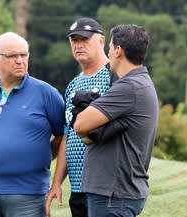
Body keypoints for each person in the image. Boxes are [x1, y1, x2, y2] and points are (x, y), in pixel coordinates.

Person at [0, 32, 65, 217]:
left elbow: (63, 135)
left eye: (24, 55)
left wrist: (40, 155)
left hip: (29, 194)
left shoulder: (46, 93)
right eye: (12, 56)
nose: (20, 60)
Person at [73, 24, 159, 217]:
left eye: (110, 47)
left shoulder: (129, 87)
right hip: (118, 193)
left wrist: (86, 121)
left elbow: (80, 124)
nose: (108, 52)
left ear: (118, 51)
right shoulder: (139, 83)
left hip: (113, 195)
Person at [45, 17, 114, 217]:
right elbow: (67, 137)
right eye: (74, 40)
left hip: (104, 186)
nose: (78, 45)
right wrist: (57, 182)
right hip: (78, 188)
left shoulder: (114, 76)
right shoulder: (73, 85)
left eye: (84, 39)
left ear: (101, 41)